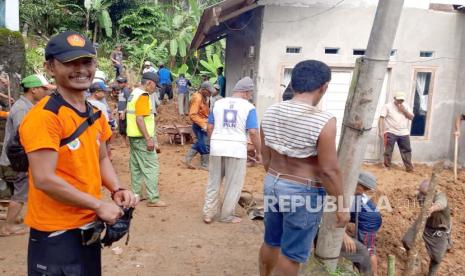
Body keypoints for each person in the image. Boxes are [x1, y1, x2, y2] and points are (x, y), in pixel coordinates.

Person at [19, 31, 137, 275]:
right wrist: (97, 205)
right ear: (50, 67)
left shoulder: (95, 113)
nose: (80, 69)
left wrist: (117, 189)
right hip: (55, 232)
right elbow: (44, 179)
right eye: (70, 63)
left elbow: (101, 157)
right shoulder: (45, 117)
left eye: (86, 62)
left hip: (88, 226)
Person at [258, 60, 348, 276]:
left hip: (273, 181)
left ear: (294, 83)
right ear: (324, 87)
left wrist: (277, 180)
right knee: (292, 255)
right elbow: (329, 170)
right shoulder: (324, 120)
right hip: (303, 191)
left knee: (271, 242)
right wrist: (342, 205)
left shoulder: (271, 112)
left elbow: (266, 157)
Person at [0, 74, 54, 237]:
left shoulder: (26, 106)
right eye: (44, 89)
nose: (46, 92)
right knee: (20, 193)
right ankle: (8, 227)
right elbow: (24, 138)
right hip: (17, 161)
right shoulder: (23, 109)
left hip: (15, 159)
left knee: (16, 192)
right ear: (34, 90)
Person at [203, 77, 261, 224]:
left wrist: (214, 140)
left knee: (213, 182)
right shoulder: (249, 107)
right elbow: (253, 132)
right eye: (250, 93)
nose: (250, 96)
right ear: (246, 92)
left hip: (217, 147)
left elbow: (209, 127)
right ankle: (226, 215)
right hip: (236, 149)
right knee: (233, 184)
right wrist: (259, 152)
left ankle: (208, 214)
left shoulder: (217, 103)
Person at [126, 72, 166, 207]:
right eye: (155, 86)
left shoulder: (133, 93)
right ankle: (153, 199)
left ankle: (137, 194)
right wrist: (149, 139)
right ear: (149, 83)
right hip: (142, 137)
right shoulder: (143, 96)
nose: (155, 89)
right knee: (151, 167)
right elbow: (139, 118)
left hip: (133, 136)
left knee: (136, 166)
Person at [402, 180, 451, 276]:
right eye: (421, 192)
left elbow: (441, 203)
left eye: (424, 193)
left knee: (437, 258)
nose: (421, 195)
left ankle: (432, 273)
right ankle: (415, 261)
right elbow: (422, 203)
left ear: (433, 191)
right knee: (407, 240)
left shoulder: (440, 196)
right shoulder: (420, 195)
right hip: (423, 222)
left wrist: (432, 208)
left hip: (438, 229)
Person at [347, 171, 382, 276]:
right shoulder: (354, 194)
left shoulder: (354, 197)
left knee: (368, 248)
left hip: (369, 220)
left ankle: (373, 273)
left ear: (360, 185)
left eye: (363, 188)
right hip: (370, 215)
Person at [378, 92, 414, 172]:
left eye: (402, 100)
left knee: (407, 150)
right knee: (388, 150)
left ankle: (409, 167)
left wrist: (404, 110)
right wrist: (381, 131)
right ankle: (387, 166)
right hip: (390, 131)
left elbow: (411, 117)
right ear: (394, 98)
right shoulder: (387, 106)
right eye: (398, 100)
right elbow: (381, 118)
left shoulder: (406, 106)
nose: (400, 101)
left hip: (404, 132)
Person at [184, 82, 214, 170]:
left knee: (200, 142)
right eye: (208, 92)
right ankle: (205, 164)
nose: (210, 94)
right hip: (199, 124)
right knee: (204, 143)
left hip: (202, 123)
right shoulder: (197, 98)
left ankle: (187, 159)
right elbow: (193, 114)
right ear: (203, 90)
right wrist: (203, 125)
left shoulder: (203, 97)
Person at [116, 76, 131, 145]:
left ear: (125, 83)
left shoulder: (126, 90)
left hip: (124, 112)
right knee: (122, 127)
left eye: (121, 82)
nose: (119, 84)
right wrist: (116, 110)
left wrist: (124, 112)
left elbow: (129, 102)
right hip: (121, 111)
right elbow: (121, 102)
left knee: (125, 126)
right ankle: (124, 142)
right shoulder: (121, 91)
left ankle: (125, 143)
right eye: (118, 82)